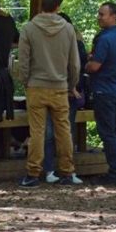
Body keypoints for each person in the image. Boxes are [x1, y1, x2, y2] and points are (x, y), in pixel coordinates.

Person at [15, 0, 81, 188]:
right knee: (64, 131)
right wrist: (71, 84)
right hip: (60, 87)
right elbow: (74, 63)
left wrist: (25, 81)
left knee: (37, 132)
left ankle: (33, 173)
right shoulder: (68, 29)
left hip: (36, 86)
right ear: (58, 6)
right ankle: (67, 172)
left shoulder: (28, 28)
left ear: (41, 5)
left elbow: (23, 60)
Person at [87, 1, 116, 186]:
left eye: (102, 14)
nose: (99, 17)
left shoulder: (104, 39)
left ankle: (115, 173)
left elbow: (95, 66)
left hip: (103, 89)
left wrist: (87, 64)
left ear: (113, 16)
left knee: (108, 132)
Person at [42, 12, 89, 182]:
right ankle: (58, 171)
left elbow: (78, 67)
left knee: (58, 133)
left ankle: (58, 170)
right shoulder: (71, 42)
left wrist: (72, 87)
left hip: (64, 92)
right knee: (59, 133)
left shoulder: (75, 43)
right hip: (62, 91)